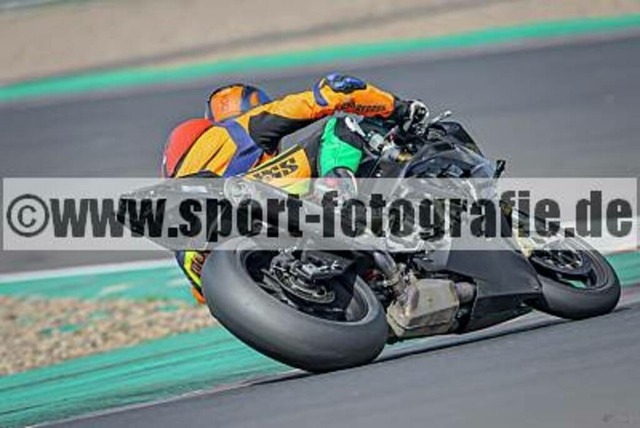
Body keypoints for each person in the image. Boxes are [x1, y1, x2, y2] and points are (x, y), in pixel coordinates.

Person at [162, 73, 429, 303]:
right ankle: (339, 198)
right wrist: (398, 108)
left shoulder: (188, 224)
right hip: (248, 205)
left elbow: (205, 297)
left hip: (214, 260)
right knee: (340, 126)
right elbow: (336, 92)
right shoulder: (242, 129)